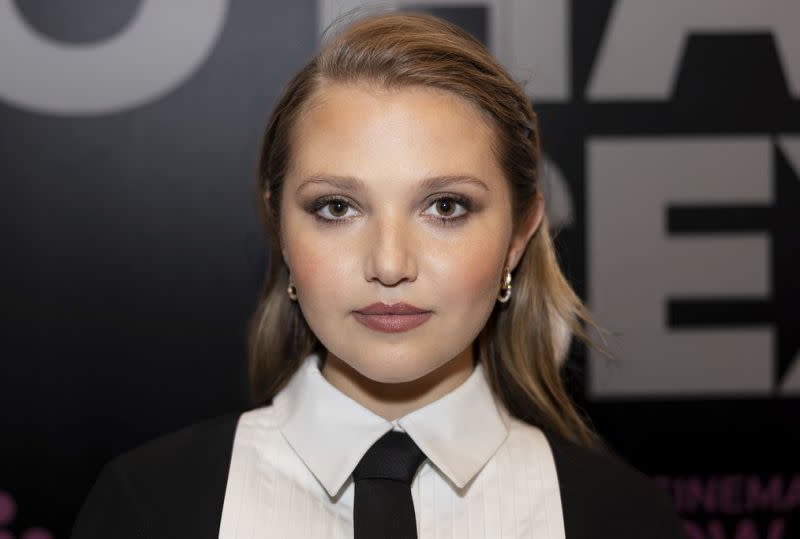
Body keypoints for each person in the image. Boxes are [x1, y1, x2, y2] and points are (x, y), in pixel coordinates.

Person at [71, 10, 686, 539]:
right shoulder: (148, 506)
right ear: (280, 226)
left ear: (519, 235)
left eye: (446, 206)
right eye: (337, 208)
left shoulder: (624, 519)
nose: (390, 265)